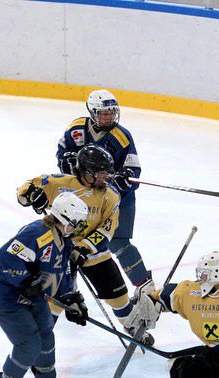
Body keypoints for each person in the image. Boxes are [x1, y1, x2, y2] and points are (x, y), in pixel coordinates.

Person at [17, 144, 155, 346]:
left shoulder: (110, 195)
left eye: (107, 173)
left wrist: (83, 248)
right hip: (58, 252)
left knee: (118, 296)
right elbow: (25, 188)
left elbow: (106, 229)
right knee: (56, 299)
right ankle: (38, 337)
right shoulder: (60, 183)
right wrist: (31, 195)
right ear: (85, 171)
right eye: (100, 173)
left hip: (92, 253)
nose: (105, 178)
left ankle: (130, 324)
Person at [0, 191, 90, 378]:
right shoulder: (36, 233)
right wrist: (25, 280)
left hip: (35, 297)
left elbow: (60, 273)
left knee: (46, 335)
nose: (78, 228)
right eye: (75, 223)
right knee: (28, 344)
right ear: (63, 218)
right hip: (7, 296)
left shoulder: (64, 240)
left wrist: (71, 299)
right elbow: (4, 258)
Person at [56, 90, 152, 290]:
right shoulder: (76, 129)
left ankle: (146, 289)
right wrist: (66, 160)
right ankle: (65, 289)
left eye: (112, 112)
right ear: (92, 112)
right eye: (104, 113)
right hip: (83, 199)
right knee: (71, 243)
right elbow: (62, 156)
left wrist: (125, 178)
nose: (109, 117)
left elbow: (133, 170)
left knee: (120, 244)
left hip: (116, 200)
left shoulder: (122, 136)